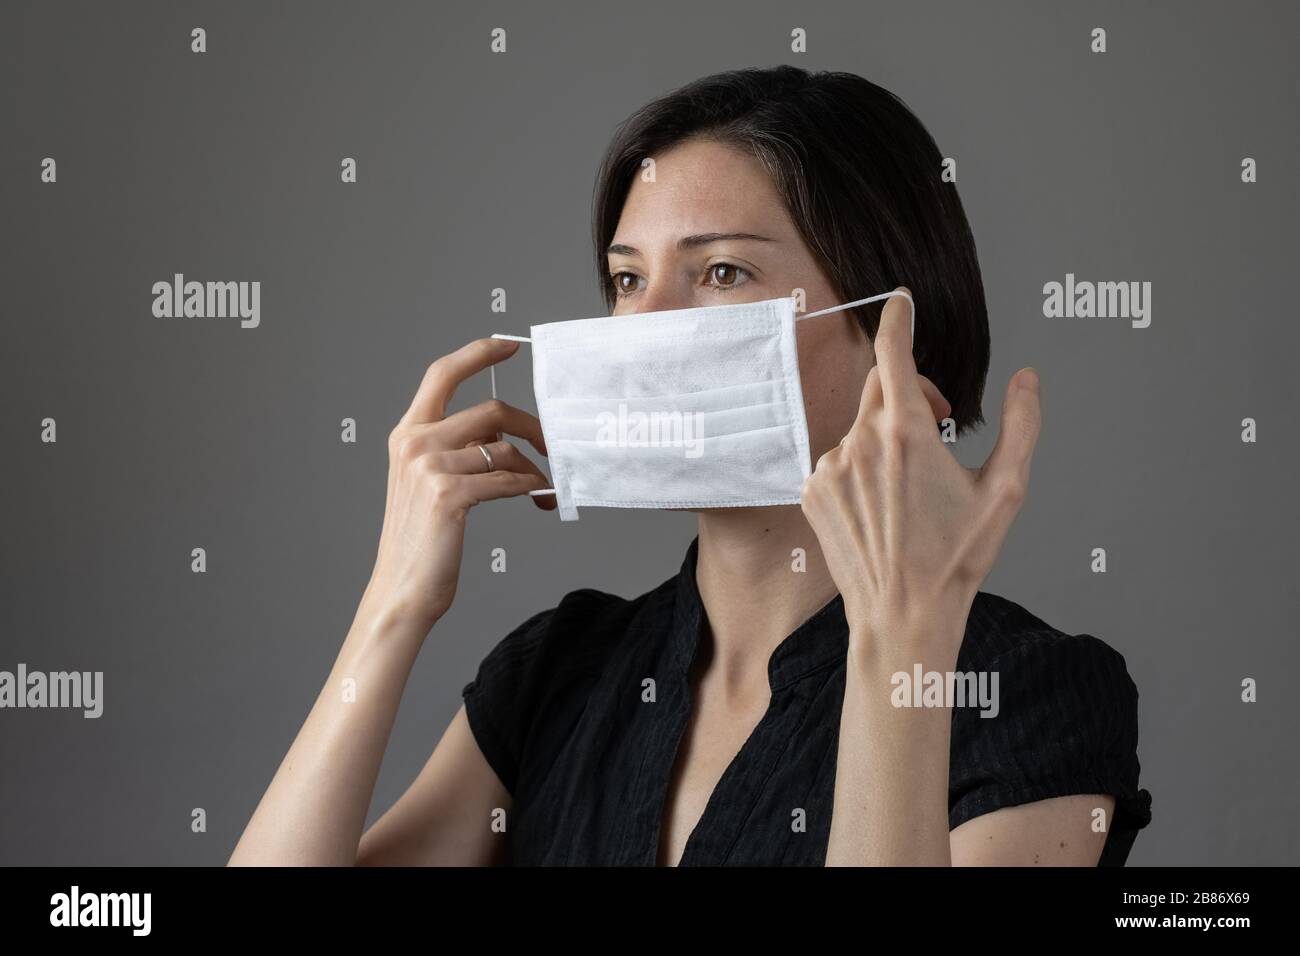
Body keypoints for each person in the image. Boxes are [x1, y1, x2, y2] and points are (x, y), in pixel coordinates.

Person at [230, 65, 1152, 867]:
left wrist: (901, 640)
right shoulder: (563, 668)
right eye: (629, 279)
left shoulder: (1028, 694)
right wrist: (395, 600)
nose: (645, 329)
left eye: (720, 274)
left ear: (893, 332)